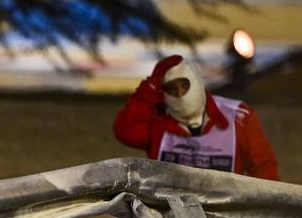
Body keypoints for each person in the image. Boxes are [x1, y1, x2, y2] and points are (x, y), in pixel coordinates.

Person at [113, 55, 279, 181]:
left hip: (223, 212)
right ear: (163, 93)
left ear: (197, 83)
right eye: (171, 89)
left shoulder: (237, 117)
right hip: (168, 212)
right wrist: (151, 86)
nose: (180, 94)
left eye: (184, 85)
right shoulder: (159, 121)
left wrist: (264, 209)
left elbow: (263, 168)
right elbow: (125, 131)